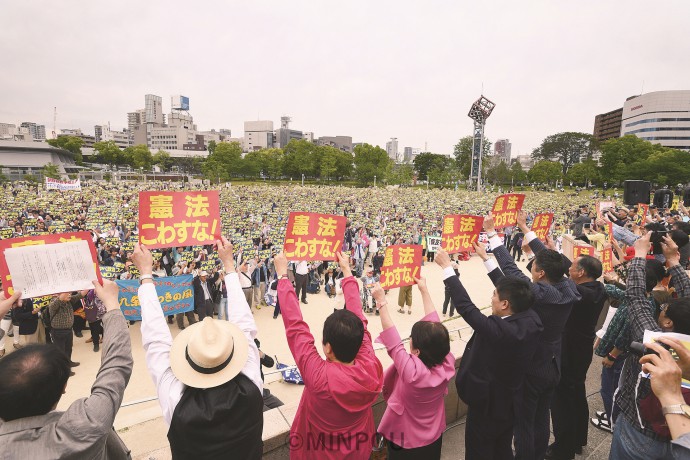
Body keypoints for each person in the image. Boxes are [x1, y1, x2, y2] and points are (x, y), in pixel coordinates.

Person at [134, 239, 264, 459]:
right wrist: (229, 265)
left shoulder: (177, 402)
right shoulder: (252, 384)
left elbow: (156, 342)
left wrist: (146, 275)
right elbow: (245, 326)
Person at [477, 211, 581, 460]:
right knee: (542, 418)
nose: (531, 266)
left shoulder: (540, 295)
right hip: (553, 364)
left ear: (541, 274)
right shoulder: (568, 288)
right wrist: (525, 228)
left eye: (533, 266)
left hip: (532, 367)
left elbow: (510, 272)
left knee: (524, 423)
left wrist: (492, 235)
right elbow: (550, 260)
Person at [0, 279, 133, 458]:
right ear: (63, 388)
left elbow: (116, 365)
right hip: (58, 331)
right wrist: (113, 304)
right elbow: (116, 366)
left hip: (67, 330)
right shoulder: (85, 428)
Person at [275, 250, 384, 459]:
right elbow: (359, 319)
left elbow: (296, 328)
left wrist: (282, 277)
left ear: (327, 348)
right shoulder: (371, 365)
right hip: (358, 448)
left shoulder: (317, 375)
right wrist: (347, 272)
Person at [438, 248, 543, 460]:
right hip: (511, 399)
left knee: (479, 450)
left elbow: (467, 308)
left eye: (495, 295)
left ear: (505, 304)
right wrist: (487, 260)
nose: (492, 297)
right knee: (502, 446)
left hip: (487, 404)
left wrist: (447, 269)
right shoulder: (531, 318)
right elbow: (511, 290)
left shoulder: (500, 331)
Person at [609, 233, 690, 459]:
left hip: (640, 433)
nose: (661, 309)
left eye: (664, 309)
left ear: (667, 322)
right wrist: (674, 261)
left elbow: (636, 297)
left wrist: (640, 254)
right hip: (681, 435)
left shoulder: (656, 342)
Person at [372, 277, 455, 459]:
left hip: (405, 439)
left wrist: (381, 301)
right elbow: (436, 328)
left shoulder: (412, 373)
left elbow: (392, 340)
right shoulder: (447, 363)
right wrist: (424, 290)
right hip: (433, 435)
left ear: (416, 351)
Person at [547, 255, 607, 460]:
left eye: (572, 266)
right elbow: (564, 270)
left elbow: (557, 277)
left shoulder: (579, 292)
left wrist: (541, 252)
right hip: (581, 352)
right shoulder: (597, 289)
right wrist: (552, 250)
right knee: (577, 395)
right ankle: (578, 440)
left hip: (569, 353)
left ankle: (562, 450)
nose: (568, 269)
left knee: (562, 401)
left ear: (581, 272)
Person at [49, 291, 87, 372]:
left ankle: (68, 362)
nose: (70, 294)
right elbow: (57, 302)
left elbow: (80, 295)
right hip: (58, 332)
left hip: (69, 330)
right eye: (67, 293)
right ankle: (64, 370)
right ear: (60, 294)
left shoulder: (69, 300)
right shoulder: (54, 303)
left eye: (70, 293)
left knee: (68, 349)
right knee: (60, 352)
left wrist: (88, 285)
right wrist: (63, 293)